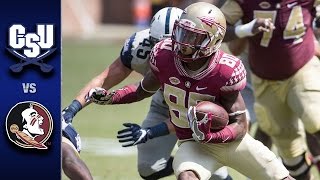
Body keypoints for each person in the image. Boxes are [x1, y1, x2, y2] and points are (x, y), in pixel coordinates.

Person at [89, 2, 293, 179]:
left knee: (280, 177)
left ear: (212, 40)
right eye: (181, 33)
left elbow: (240, 126)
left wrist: (211, 137)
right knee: (187, 175)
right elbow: (142, 90)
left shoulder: (225, 70)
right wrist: (110, 97)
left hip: (232, 142)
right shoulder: (164, 55)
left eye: (192, 37)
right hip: (193, 144)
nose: (182, 42)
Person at [62, 6, 232, 180]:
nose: (164, 50)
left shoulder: (208, 63)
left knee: (214, 174)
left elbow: (191, 116)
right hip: (164, 103)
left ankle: (205, 170)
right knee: (148, 168)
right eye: (156, 44)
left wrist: (152, 131)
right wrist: (72, 109)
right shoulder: (140, 47)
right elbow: (105, 80)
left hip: (199, 112)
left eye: (169, 45)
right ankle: (190, 167)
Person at [220, 0, 320, 178]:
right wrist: (246, 29)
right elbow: (217, 27)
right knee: (289, 148)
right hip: (264, 79)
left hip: (302, 68)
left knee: (315, 118)